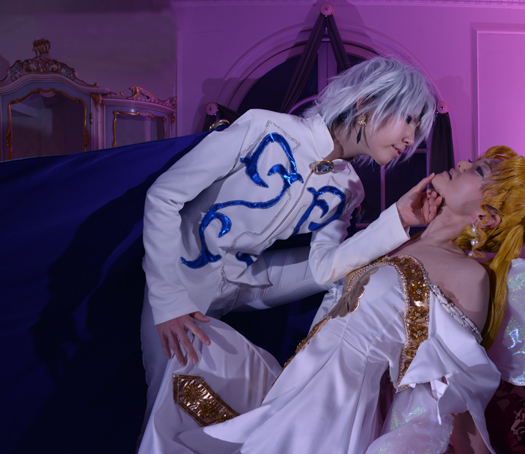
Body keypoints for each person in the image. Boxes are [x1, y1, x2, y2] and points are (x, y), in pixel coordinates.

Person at [138, 145, 525, 453]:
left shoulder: (469, 276)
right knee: (194, 344)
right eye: (475, 160)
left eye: (479, 170)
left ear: (486, 216)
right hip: (295, 383)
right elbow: (328, 270)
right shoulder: (403, 241)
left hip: (332, 410)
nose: (465, 163)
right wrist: (390, 214)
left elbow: (454, 391)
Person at [140, 56, 439, 428]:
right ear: (366, 103)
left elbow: (325, 268)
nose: (411, 138)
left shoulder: (349, 188)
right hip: (182, 281)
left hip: (245, 284)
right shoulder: (262, 127)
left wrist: (399, 219)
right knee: (166, 416)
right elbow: (164, 197)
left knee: (350, 274)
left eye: (417, 127)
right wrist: (167, 300)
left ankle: (311, 381)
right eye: (408, 119)